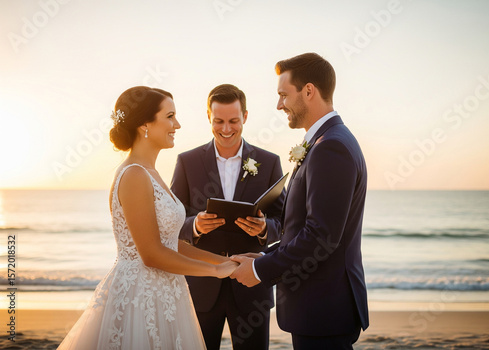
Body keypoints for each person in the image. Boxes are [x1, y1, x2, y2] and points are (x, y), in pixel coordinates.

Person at [58, 86, 238, 350]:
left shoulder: (151, 173)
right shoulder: (134, 175)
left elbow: (169, 243)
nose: (177, 124)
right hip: (140, 296)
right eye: (170, 116)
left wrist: (225, 261)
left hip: (167, 292)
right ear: (145, 123)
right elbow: (151, 254)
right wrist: (213, 271)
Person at [230, 53, 369, 350]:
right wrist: (266, 256)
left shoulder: (331, 147)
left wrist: (259, 272)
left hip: (323, 308)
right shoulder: (327, 141)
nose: (279, 105)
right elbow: (306, 228)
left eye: (283, 95)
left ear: (309, 91)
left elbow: (321, 236)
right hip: (321, 308)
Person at [170, 84, 285, 350]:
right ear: (208, 117)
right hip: (200, 285)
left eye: (233, 121)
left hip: (252, 285)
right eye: (218, 121)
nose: (226, 129)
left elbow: (286, 222)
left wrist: (265, 229)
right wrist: (194, 226)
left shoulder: (269, 162)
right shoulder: (187, 162)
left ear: (245, 116)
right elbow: (171, 222)